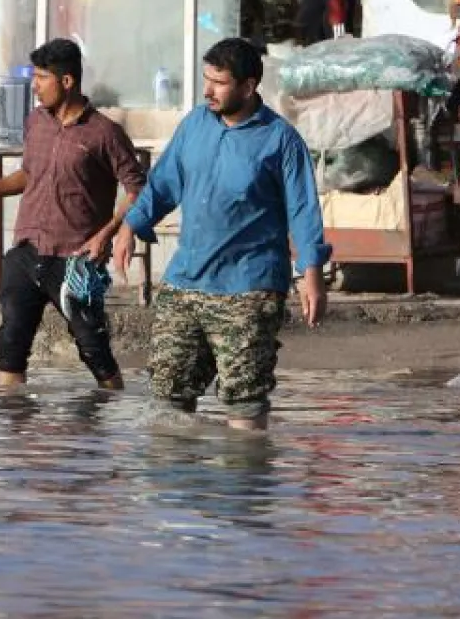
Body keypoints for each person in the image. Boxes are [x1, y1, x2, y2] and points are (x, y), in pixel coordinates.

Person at [113, 38, 330, 432]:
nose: (208, 91)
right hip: (186, 281)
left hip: (248, 289)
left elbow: (303, 210)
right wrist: (131, 225)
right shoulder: (195, 125)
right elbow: (162, 185)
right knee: (166, 396)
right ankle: (179, 490)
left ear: (249, 87)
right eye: (206, 80)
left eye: (219, 82)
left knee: (244, 401)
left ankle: (245, 486)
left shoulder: (281, 141)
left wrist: (310, 271)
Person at [0, 39, 145, 389]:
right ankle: (11, 430)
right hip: (27, 250)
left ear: (67, 81)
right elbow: (29, 176)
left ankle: (108, 422)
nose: (35, 86)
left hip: (74, 259)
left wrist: (106, 234)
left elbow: (138, 190)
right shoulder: (36, 122)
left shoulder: (104, 133)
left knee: (94, 350)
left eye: (42, 78)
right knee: (11, 346)